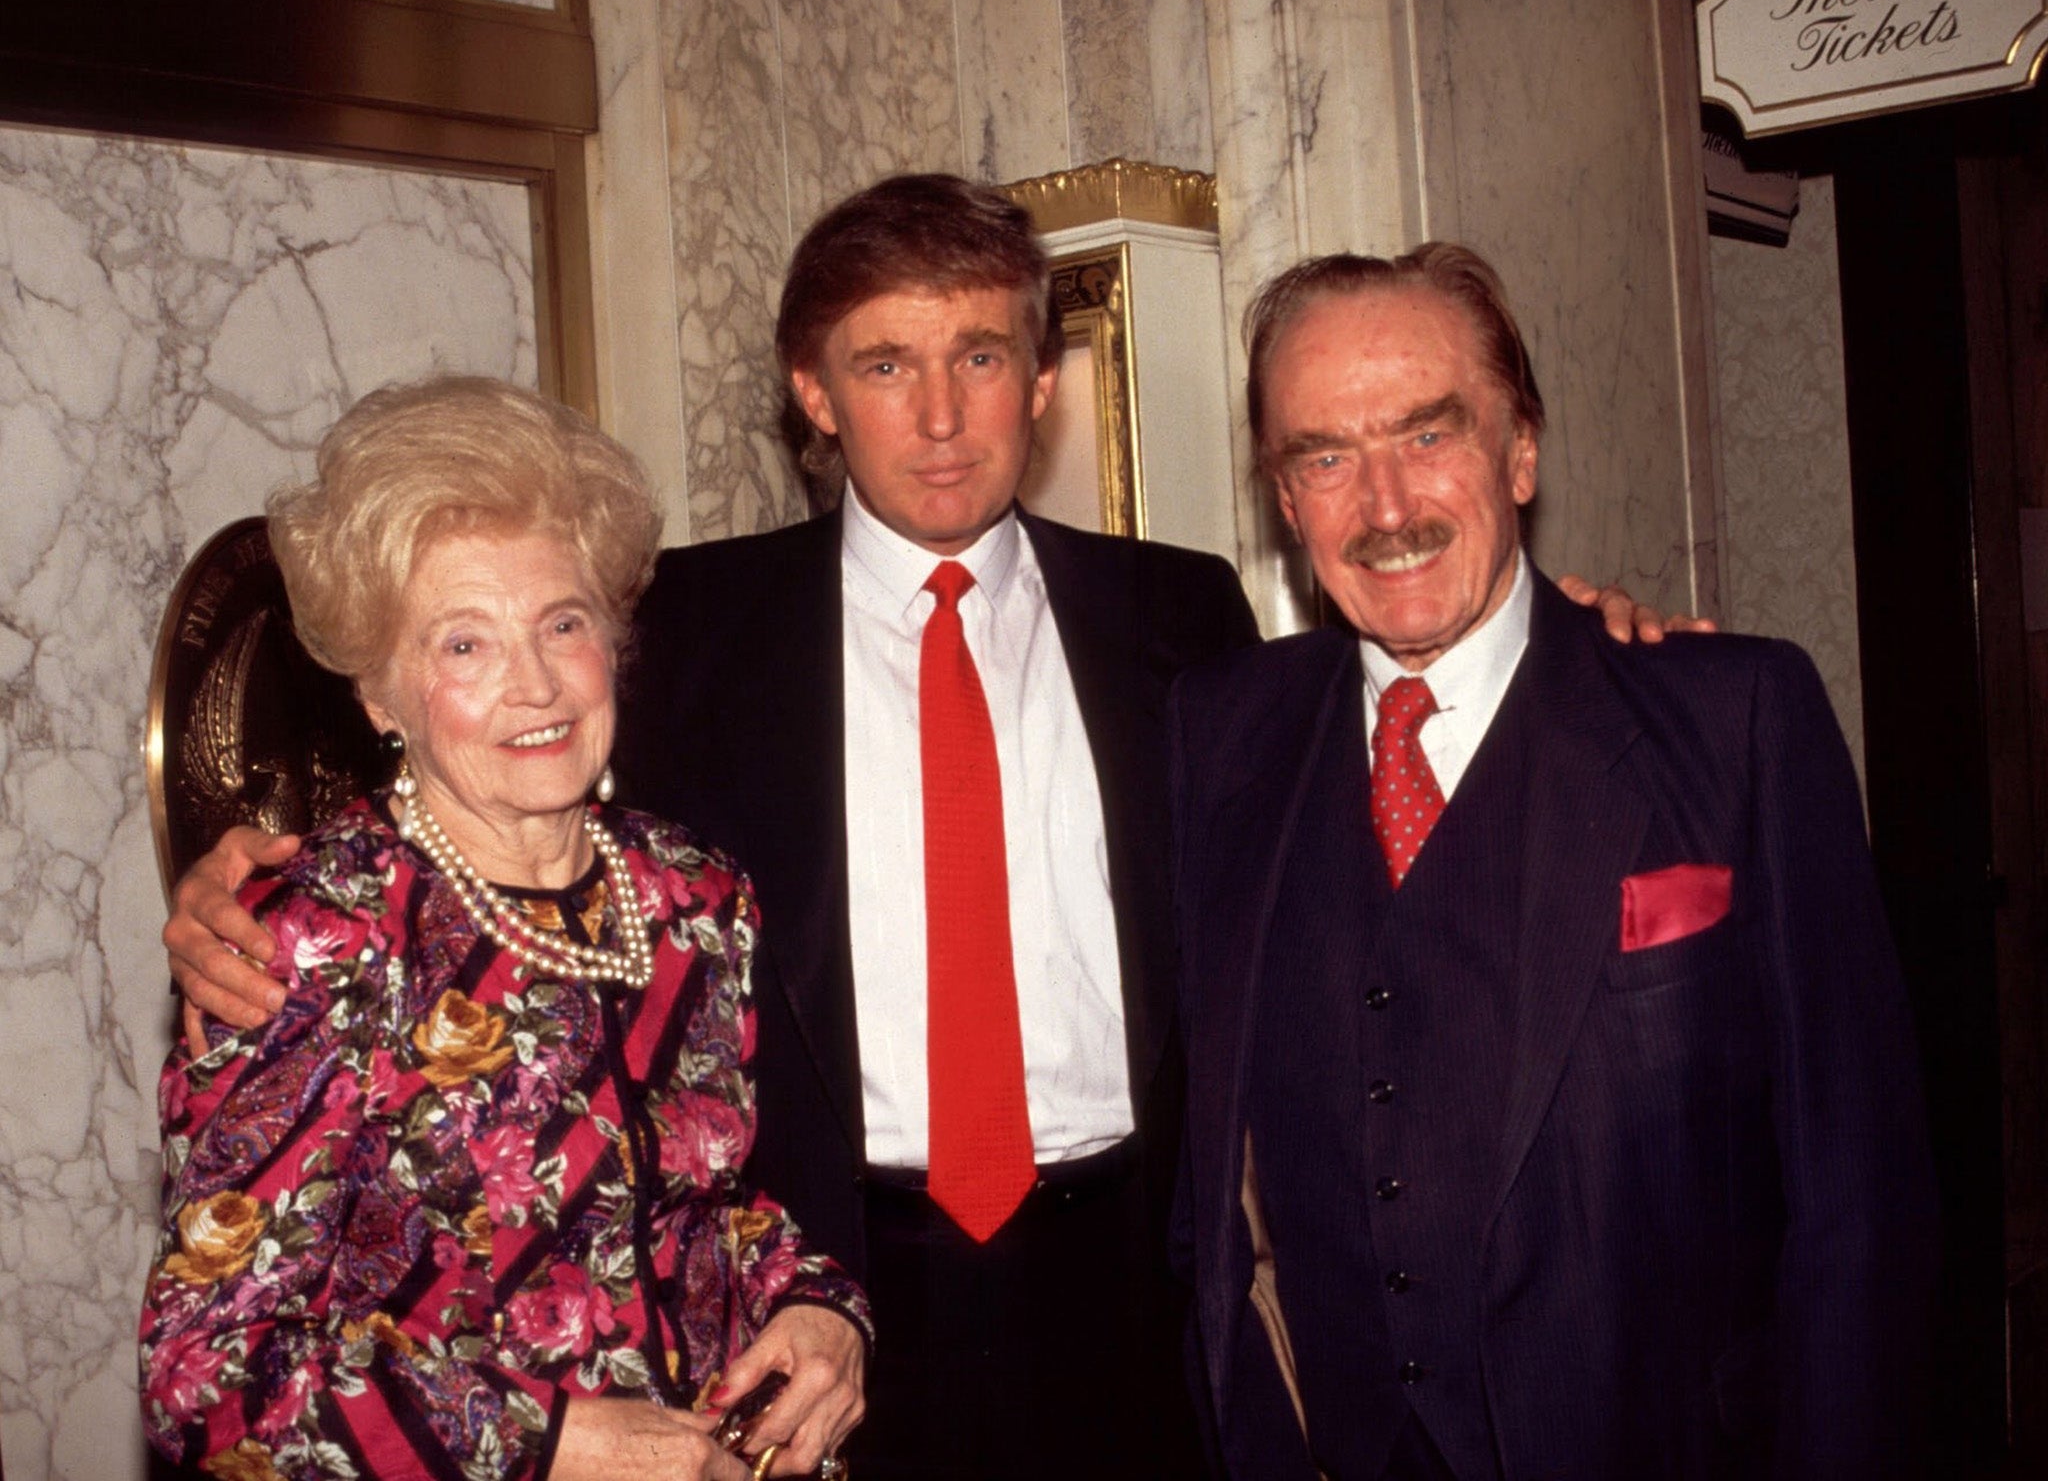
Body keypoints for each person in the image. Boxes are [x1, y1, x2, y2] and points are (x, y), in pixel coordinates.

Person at [163, 180, 1698, 1478]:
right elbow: (481, 779)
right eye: (887, 364)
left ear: (1043, 382)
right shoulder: (681, 626)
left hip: (1138, 1293)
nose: (945, 412)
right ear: (814, 396)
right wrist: (248, 883)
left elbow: (1392, 694)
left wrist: (1571, 635)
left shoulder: (1181, 613)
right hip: (824, 1312)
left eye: (982, 353)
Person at [1168, 244, 1940, 1480]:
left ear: (1519, 451)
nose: (1382, 506)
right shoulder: (1216, 737)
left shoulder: (1731, 719)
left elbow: (1858, 1207)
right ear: (1280, 495)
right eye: (1323, 456)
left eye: (1428, 436)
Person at [139, 378, 868, 1481]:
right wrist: (560, 1444)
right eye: (464, 646)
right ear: (381, 696)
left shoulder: (694, 897)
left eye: (561, 623)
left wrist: (819, 1309)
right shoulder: (316, 939)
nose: (533, 681)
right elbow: (209, 1380)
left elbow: (694, 1207)